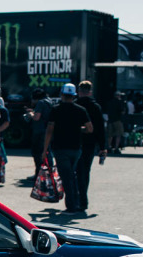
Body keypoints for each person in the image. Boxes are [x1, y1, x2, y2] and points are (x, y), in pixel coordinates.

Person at [41, 83, 92, 214]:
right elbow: (90, 129)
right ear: (74, 96)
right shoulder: (81, 110)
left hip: (60, 148)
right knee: (72, 175)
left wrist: (45, 149)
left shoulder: (56, 110)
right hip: (76, 148)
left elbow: (49, 130)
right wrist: (78, 129)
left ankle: (71, 206)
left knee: (67, 177)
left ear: (62, 95)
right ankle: (78, 202)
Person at [74, 80, 106, 212]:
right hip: (90, 143)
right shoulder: (95, 107)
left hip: (75, 142)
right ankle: (83, 198)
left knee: (75, 172)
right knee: (85, 171)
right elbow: (100, 128)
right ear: (90, 92)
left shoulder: (74, 105)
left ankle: (74, 199)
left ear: (79, 91)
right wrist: (103, 147)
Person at [26, 88, 53, 179]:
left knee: (37, 154)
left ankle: (39, 175)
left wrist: (31, 114)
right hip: (48, 131)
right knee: (47, 153)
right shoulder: (50, 102)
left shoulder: (41, 103)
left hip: (39, 132)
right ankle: (49, 173)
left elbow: (37, 117)